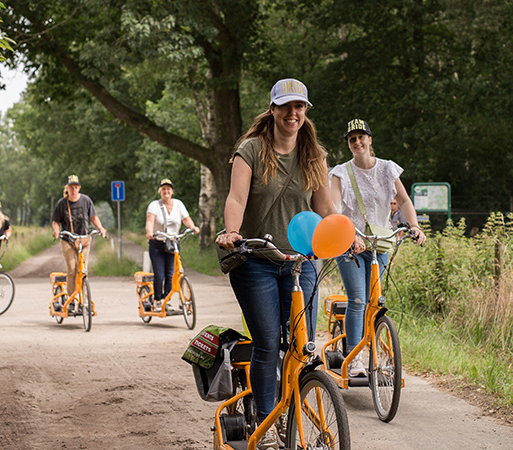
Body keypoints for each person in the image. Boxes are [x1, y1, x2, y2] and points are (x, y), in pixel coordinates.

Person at [216, 78, 337, 450]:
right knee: (269, 343)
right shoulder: (250, 150)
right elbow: (236, 198)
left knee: (302, 345)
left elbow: (326, 210)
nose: (293, 113)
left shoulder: (314, 154)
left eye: (299, 107)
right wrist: (232, 231)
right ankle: (265, 423)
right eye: (285, 106)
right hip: (256, 261)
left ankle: (292, 405)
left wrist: (348, 237)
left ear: (305, 111)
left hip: (300, 263)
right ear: (272, 110)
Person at [329, 119, 426, 377]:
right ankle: (355, 357)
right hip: (350, 244)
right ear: (349, 144)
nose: (357, 142)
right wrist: (348, 235)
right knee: (359, 300)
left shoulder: (386, 169)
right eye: (352, 139)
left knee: (376, 301)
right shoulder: (340, 173)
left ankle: (374, 348)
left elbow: (403, 199)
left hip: (379, 243)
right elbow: (333, 208)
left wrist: (414, 225)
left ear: (370, 140)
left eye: (362, 137)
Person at [145, 178, 199, 312]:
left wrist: (193, 227)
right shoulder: (154, 205)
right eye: (163, 189)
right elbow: (150, 220)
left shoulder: (179, 205)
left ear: (172, 191)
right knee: (159, 274)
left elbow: (186, 219)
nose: (166, 191)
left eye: (168, 189)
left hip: (173, 243)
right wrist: (149, 232)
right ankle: (158, 300)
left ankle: (167, 300)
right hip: (157, 243)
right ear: (160, 191)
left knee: (171, 274)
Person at [52, 175, 107, 303]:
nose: (74, 190)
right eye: (71, 187)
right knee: (72, 270)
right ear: (67, 188)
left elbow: (93, 217)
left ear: (79, 188)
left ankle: (83, 297)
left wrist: (101, 228)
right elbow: (56, 221)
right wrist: (56, 231)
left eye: (76, 187)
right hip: (68, 240)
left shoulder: (86, 200)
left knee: (83, 270)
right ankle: (71, 300)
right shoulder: (62, 203)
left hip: (84, 239)